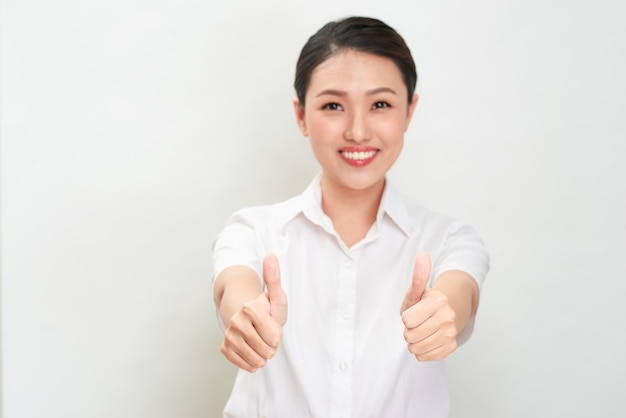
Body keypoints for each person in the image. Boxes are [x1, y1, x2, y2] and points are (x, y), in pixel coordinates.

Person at [212, 16, 489, 418]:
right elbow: (234, 285)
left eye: (380, 104)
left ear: (409, 111)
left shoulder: (450, 239)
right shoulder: (252, 231)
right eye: (333, 106)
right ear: (301, 115)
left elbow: (458, 292)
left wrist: (441, 313)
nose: (358, 131)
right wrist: (247, 316)